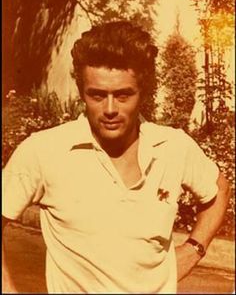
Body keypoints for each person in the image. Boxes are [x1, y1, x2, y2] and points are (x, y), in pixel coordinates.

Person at [2, 21, 230, 294]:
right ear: (81, 92)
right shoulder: (44, 150)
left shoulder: (173, 146)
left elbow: (219, 188)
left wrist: (193, 249)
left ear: (142, 91)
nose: (110, 109)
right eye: (97, 95)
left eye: (123, 95)